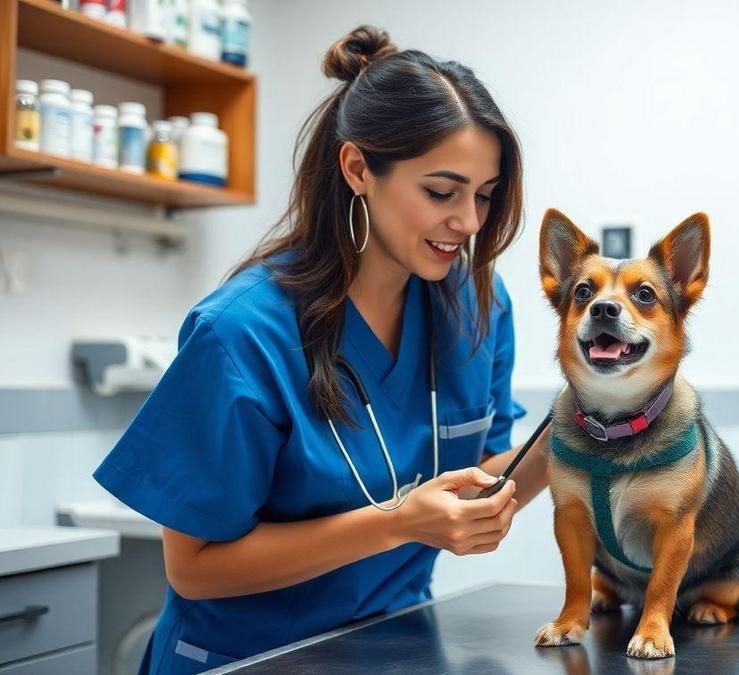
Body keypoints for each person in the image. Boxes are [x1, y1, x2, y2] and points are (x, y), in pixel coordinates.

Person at [93, 26, 548, 674]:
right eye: (442, 192)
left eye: (484, 194)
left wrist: (580, 433)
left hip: (395, 648)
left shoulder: (475, 305)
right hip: (246, 659)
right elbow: (192, 568)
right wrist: (397, 522)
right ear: (359, 168)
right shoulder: (244, 332)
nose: (471, 222)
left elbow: (476, 482)